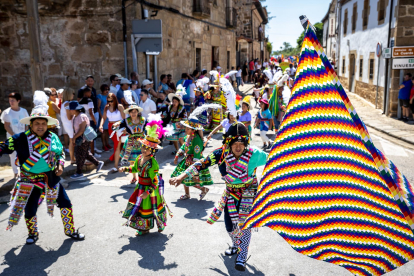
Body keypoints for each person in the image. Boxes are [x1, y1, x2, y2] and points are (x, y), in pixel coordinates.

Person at [170, 123, 268, 272]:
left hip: (248, 193)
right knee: (229, 226)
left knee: (245, 225)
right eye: (234, 143)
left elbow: (276, 159)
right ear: (228, 142)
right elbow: (201, 164)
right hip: (231, 193)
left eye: (241, 144)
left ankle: (242, 255)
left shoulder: (255, 154)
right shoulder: (221, 154)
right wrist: (182, 175)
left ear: (246, 143)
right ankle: (236, 243)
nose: (238, 147)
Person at [1, 91, 85, 244]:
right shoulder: (20, 139)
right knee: (30, 208)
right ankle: (33, 234)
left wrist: (60, 164)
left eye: (43, 123)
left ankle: (70, 230)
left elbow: (59, 154)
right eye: (37, 123)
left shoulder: (52, 137)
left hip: (50, 178)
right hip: (29, 180)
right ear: (30, 125)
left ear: (47, 124)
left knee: (65, 203)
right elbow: (4, 147)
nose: (40, 126)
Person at [119, 117, 171, 236]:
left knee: (152, 207)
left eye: (146, 148)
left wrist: (148, 192)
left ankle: (160, 224)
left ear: (152, 151)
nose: (143, 149)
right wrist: (125, 169)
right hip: (140, 187)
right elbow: (135, 168)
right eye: (143, 147)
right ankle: (144, 228)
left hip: (149, 190)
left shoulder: (153, 164)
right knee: (141, 208)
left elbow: (156, 180)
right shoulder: (139, 158)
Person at [171, 117, 213, 200]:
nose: (185, 129)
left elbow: (197, 154)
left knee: (191, 179)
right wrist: (177, 155)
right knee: (183, 178)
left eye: (187, 128)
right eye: (186, 128)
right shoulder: (189, 136)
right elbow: (184, 146)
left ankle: (204, 189)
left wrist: (194, 167)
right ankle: (187, 194)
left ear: (193, 130)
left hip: (194, 162)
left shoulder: (197, 140)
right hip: (187, 159)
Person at [68, 101, 104, 179]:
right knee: (84, 154)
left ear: (75, 109)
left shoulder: (81, 116)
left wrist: (74, 138)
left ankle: (79, 172)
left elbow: (81, 130)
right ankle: (98, 163)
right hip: (79, 139)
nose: (69, 110)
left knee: (79, 156)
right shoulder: (75, 116)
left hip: (83, 139)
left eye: (71, 109)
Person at [0, 92, 29, 178]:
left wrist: (25, 134)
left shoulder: (24, 111)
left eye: (13, 100)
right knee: (13, 154)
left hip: (23, 137)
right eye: (10, 100)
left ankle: (24, 171)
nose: (11, 102)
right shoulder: (7, 112)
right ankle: (15, 172)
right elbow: (7, 125)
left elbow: (26, 124)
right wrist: (14, 136)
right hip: (12, 137)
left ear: (18, 101)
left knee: (24, 153)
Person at [118, 104, 146, 184]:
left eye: (135, 112)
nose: (133, 113)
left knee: (142, 160)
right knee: (132, 161)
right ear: (129, 113)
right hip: (131, 142)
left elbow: (149, 127)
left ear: (137, 112)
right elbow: (119, 125)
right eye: (132, 112)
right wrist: (116, 125)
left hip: (141, 142)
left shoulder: (143, 120)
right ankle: (134, 177)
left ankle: (142, 176)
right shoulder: (126, 121)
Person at [99, 93, 125, 173]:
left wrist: (119, 123)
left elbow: (124, 119)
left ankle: (115, 166)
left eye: (111, 100)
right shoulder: (106, 107)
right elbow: (104, 117)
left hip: (119, 127)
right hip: (111, 128)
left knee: (117, 146)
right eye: (108, 101)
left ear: (115, 99)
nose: (110, 102)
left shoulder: (120, 106)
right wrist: (101, 125)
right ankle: (120, 160)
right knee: (118, 145)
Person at [79, 87, 99, 158]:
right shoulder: (89, 101)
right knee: (91, 138)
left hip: (82, 121)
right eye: (90, 92)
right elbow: (91, 112)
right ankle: (93, 153)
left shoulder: (80, 101)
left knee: (84, 138)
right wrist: (94, 120)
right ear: (86, 93)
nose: (91, 94)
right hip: (90, 120)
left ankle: (85, 153)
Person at [61, 88, 76, 164]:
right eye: (72, 93)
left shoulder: (64, 103)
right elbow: (69, 117)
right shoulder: (67, 104)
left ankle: (73, 158)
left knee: (72, 141)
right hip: (69, 124)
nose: (73, 95)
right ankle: (72, 158)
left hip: (67, 124)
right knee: (72, 141)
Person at [97, 84, 111, 151]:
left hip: (108, 114)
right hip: (103, 114)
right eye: (106, 89)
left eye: (108, 89)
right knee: (103, 131)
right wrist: (101, 115)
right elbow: (98, 107)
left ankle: (107, 143)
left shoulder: (108, 96)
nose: (107, 91)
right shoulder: (100, 96)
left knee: (107, 130)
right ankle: (104, 145)